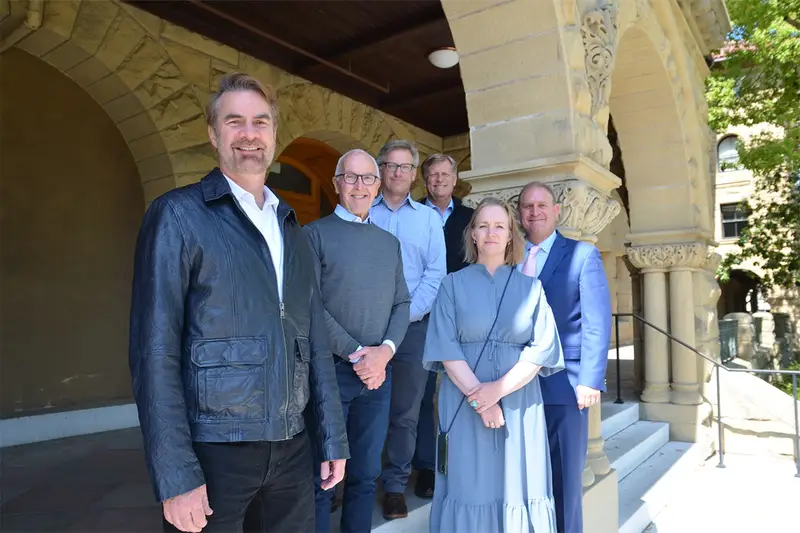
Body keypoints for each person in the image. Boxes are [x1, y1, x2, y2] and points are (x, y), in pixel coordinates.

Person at [128, 72, 349, 533]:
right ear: (214, 134)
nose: (249, 134)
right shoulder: (178, 216)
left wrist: (331, 436)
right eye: (234, 121)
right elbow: (154, 350)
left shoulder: (291, 226)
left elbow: (313, 337)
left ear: (274, 134)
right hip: (214, 448)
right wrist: (175, 473)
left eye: (260, 122)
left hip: (292, 446)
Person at [422, 196, 564, 533]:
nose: (491, 233)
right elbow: (446, 347)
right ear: (472, 234)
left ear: (511, 235)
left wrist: (496, 391)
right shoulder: (451, 285)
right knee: (470, 486)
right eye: (483, 225)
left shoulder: (532, 288)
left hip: (519, 403)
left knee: (517, 485)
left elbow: (541, 350)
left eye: (499, 226)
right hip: (464, 403)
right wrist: (481, 401)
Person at [304, 149, 411, 533]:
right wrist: (357, 354)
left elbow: (402, 303)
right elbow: (309, 305)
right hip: (330, 373)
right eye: (350, 177)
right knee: (322, 477)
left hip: (378, 376)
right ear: (337, 184)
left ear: (378, 186)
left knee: (365, 475)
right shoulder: (313, 235)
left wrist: (383, 353)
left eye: (367, 178)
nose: (359, 186)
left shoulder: (389, 243)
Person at [517, 182, 611, 533]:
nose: (535, 212)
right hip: (514, 388)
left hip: (565, 387)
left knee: (564, 483)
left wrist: (589, 380)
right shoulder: (509, 258)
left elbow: (596, 323)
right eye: (527, 206)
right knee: (523, 481)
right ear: (519, 214)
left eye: (542, 205)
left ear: (556, 211)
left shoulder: (582, 255)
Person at [369, 140, 446, 519]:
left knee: (405, 412)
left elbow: (435, 274)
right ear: (381, 169)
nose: (397, 172)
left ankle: (395, 486)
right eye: (390, 165)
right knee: (363, 410)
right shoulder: (363, 211)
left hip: (414, 330)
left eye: (404, 167)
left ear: (414, 174)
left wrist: (405, 316)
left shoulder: (428, 219)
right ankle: (355, 481)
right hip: (366, 328)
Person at [413, 153, 475, 498]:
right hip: (421, 318)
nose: (438, 179)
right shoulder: (414, 214)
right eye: (433, 174)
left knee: (463, 389)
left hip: (461, 318)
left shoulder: (470, 218)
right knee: (422, 397)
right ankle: (426, 466)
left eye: (444, 174)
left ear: (455, 178)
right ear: (425, 180)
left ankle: (463, 460)